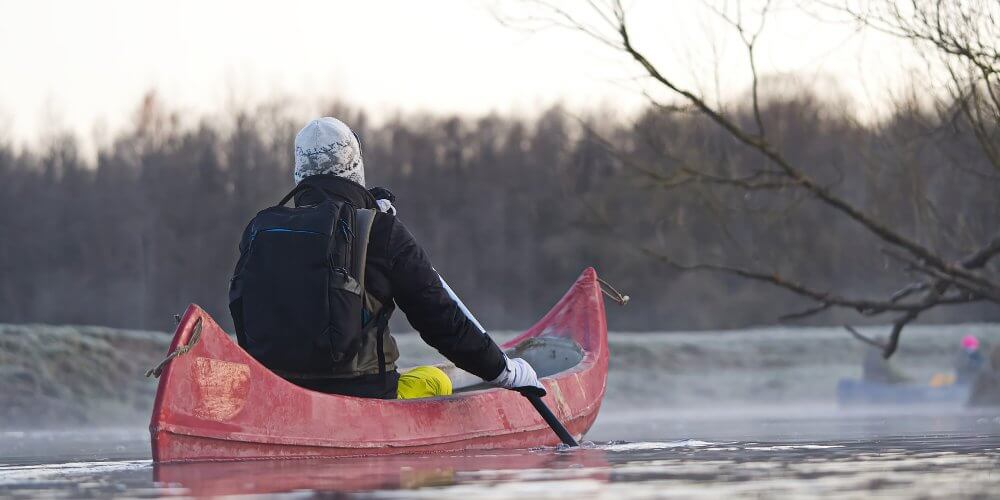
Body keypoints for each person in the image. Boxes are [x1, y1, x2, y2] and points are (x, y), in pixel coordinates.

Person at [229, 117, 543, 400]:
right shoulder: (381, 230)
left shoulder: (261, 229)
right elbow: (441, 320)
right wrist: (502, 371)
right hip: (366, 397)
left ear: (300, 173)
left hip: (277, 393)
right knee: (437, 380)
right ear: (355, 167)